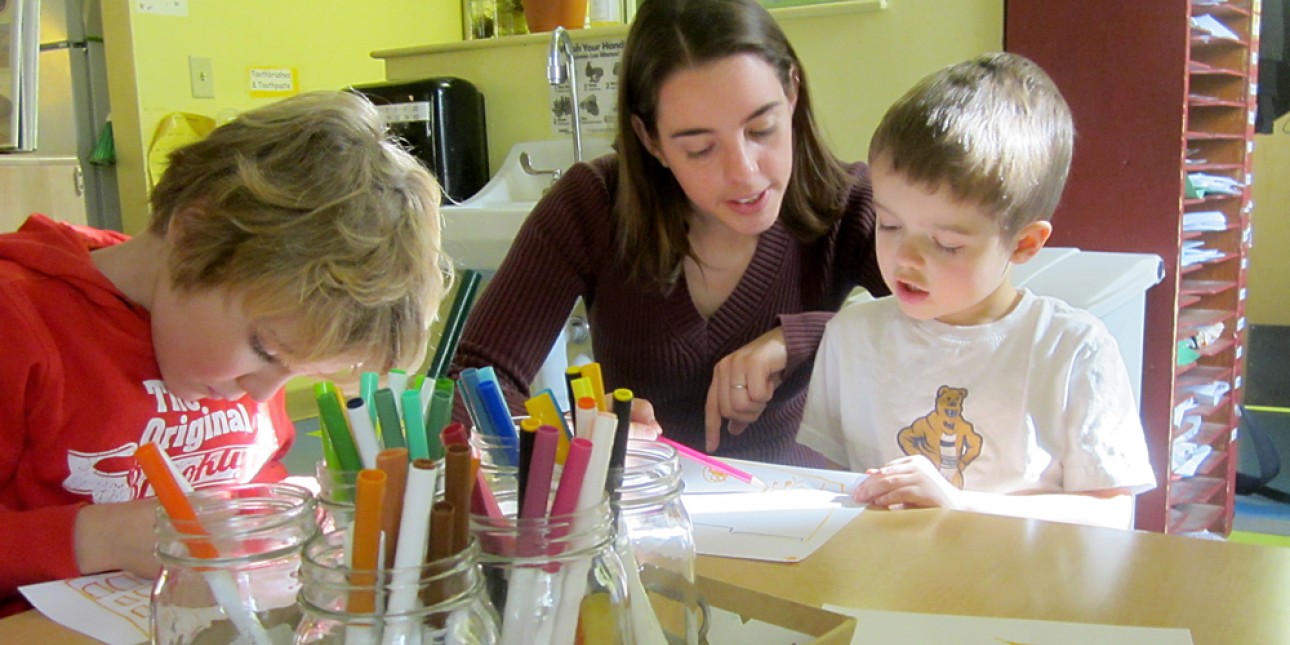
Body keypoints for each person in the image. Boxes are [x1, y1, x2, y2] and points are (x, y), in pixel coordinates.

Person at [0, 90, 449, 615]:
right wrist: (95, 537)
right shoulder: (20, 324)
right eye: (264, 349)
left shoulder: (235, 352)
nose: (263, 393)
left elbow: (248, 476)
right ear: (191, 236)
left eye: (296, 373)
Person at [449, 0, 887, 466]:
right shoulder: (593, 204)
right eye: (700, 149)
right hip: (646, 520)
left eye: (762, 128)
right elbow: (473, 383)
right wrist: (574, 438)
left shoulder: (851, 204)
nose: (743, 171)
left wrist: (804, 340)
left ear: (793, 92)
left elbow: (964, 331)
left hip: (808, 517)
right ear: (651, 139)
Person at [796, 53, 1156, 529]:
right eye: (889, 224)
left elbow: (1111, 515)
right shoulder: (853, 337)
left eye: (946, 244)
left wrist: (959, 505)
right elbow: (832, 490)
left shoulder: (1072, 350)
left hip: (1020, 598)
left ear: (1025, 244)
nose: (906, 258)